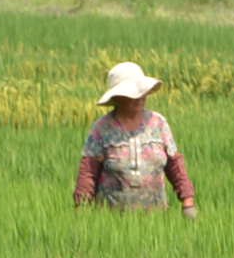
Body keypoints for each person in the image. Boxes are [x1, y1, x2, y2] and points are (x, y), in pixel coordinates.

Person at [72, 62, 196, 216]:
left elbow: (174, 164)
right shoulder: (102, 128)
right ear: (117, 98)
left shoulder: (158, 123)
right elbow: (88, 171)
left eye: (142, 93)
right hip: (112, 219)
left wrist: (188, 201)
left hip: (156, 219)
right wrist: (82, 209)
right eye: (132, 95)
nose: (139, 98)